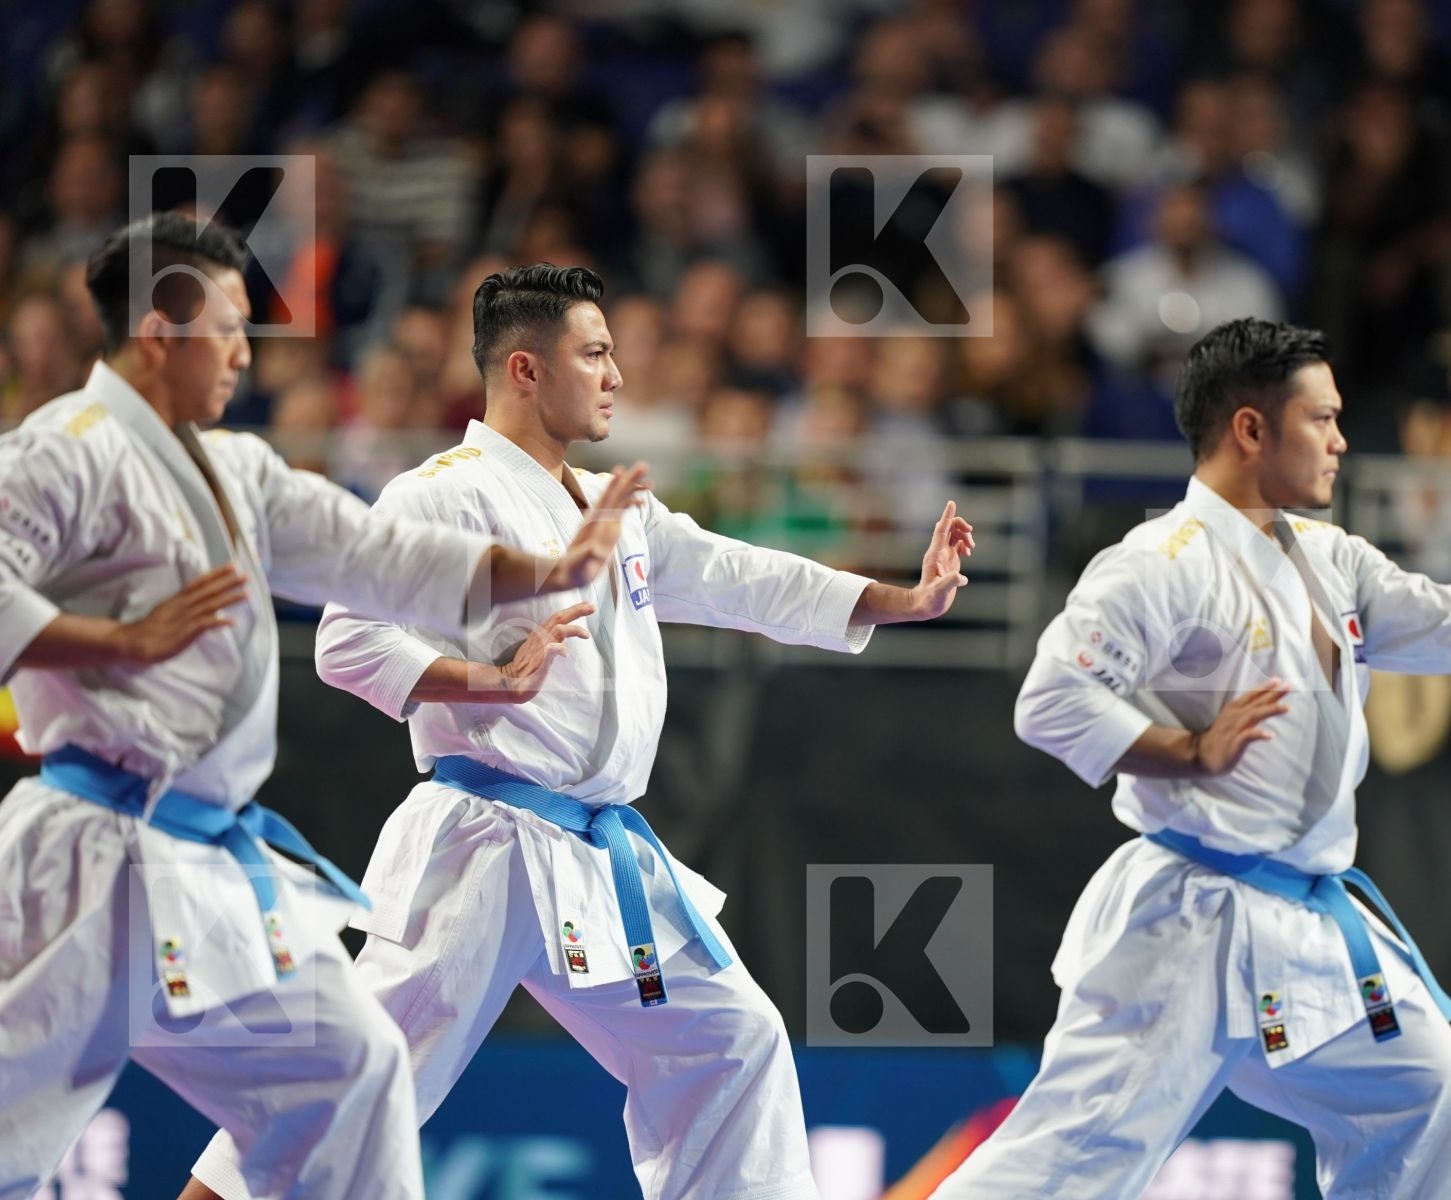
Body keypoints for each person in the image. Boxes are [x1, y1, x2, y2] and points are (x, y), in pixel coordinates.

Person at [185, 264, 975, 1200]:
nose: (616, 376)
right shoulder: (441, 492)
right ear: (525, 369)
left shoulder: (611, 505)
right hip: (484, 840)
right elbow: (347, 641)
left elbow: (740, 577)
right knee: (361, 1077)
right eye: (595, 354)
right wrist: (489, 680)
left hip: (598, 855)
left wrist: (903, 598)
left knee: (732, 1041)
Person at [929, 318, 1451, 1199]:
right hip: (1188, 925)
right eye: (1323, 419)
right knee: (1067, 1162)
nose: (1343, 440)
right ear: (1251, 429)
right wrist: (1185, 751)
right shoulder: (1160, 563)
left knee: (1429, 1094)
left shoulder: (1328, 558)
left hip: (1305, 924)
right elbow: (1050, 700)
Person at [0, 217, 639, 1199]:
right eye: (230, 329)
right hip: (84, 849)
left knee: (355, 1071)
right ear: (159, 333)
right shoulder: (60, 454)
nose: (248, 354)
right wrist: (117, 643)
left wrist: (550, 570)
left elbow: (379, 557)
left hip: (204, 859)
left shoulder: (241, 470)